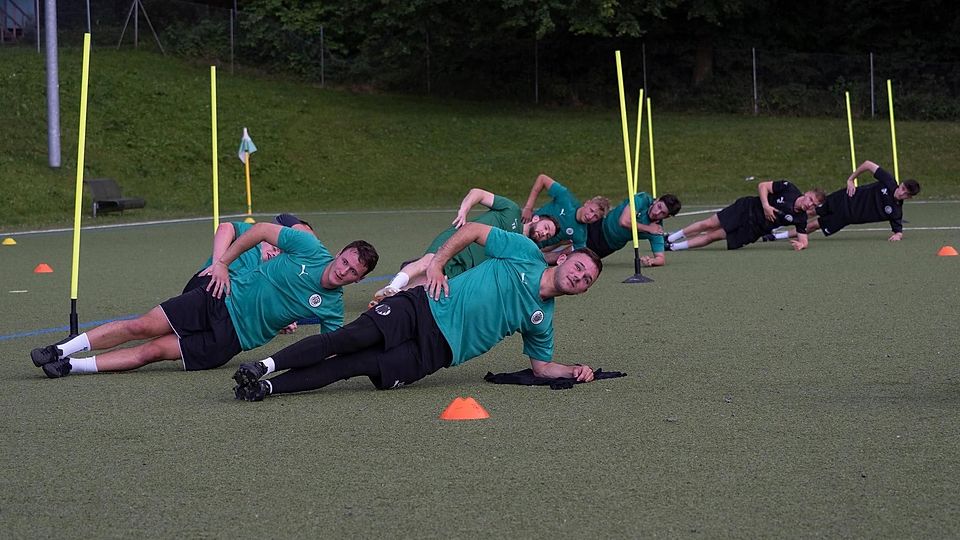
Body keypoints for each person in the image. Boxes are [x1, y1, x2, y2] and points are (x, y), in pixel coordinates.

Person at [232, 222, 602, 401]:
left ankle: (267, 387)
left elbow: (541, 368)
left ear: (583, 290)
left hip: (437, 352)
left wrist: (574, 370)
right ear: (564, 260)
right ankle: (262, 366)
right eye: (579, 267)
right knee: (346, 339)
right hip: (422, 307)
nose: (578, 276)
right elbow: (473, 230)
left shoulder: (542, 318)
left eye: (585, 279)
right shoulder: (525, 253)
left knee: (350, 366)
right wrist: (437, 264)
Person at [29, 223, 379, 378]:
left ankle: (72, 367)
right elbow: (258, 230)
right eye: (345, 261)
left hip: (231, 340)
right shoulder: (309, 247)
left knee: (152, 352)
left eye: (353, 272)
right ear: (339, 253)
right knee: (141, 326)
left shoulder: (332, 308)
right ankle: (60, 350)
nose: (343, 271)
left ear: (359, 280)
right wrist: (222, 263)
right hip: (219, 297)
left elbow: (327, 348)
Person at [372, 187, 558, 302]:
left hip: (468, 266)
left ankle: (390, 301)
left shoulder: (521, 247)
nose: (544, 233)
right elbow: (478, 193)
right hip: (457, 241)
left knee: (430, 284)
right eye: (546, 227)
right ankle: (393, 286)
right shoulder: (512, 210)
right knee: (427, 263)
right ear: (536, 218)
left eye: (547, 235)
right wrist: (464, 209)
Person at [760, 161, 921, 243]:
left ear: (909, 197)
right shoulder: (889, 181)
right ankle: (774, 225)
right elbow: (867, 164)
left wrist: (898, 235)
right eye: (902, 188)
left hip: (845, 217)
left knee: (814, 225)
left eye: (906, 194)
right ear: (901, 184)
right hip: (842, 198)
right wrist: (851, 179)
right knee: (809, 211)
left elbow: (898, 231)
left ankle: (776, 237)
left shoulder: (896, 211)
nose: (901, 193)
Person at [665, 180, 824, 252]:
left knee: (714, 236)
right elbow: (763, 186)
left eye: (814, 205)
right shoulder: (789, 188)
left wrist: (802, 245)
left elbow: (804, 239)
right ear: (807, 193)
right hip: (746, 209)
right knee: (709, 224)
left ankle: (673, 247)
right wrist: (766, 206)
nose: (810, 205)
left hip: (753, 229)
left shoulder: (801, 218)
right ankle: (671, 238)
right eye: (810, 199)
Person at [182, 213, 313, 294]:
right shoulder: (252, 234)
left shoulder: (277, 267)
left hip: (231, 301)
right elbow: (225, 228)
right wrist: (218, 265)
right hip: (210, 282)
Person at [520, 173, 610, 263]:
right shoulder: (566, 199)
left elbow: (578, 257)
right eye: (591, 210)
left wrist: (544, 255)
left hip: (527, 248)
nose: (590, 216)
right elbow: (542, 179)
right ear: (587, 203)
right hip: (522, 227)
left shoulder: (580, 236)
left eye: (596, 217)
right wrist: (528, 207)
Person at [586, 192, 682, 266]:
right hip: (597, 226)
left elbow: (661, 259)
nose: (657, 212)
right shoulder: (642, 199)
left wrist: (652, 261)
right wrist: (648, 228)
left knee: (581, 260)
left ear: (667, 217)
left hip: (606, 246)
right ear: (657, 200)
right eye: (659, 206)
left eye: (663, 213)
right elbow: (623, 222)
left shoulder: (657, 230)